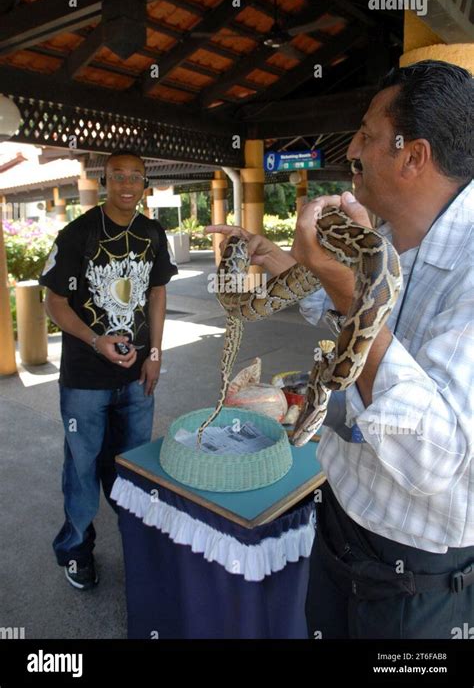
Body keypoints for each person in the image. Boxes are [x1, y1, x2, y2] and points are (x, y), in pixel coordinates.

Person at [206, 60, 474, 639]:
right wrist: (280, 259)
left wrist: (348, 288)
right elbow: (340, 300)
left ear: (413, 155)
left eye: (367, 135)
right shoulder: (383, 239)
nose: (351, 148)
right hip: (339, 524)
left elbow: (434, 458)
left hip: (415, 575)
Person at [40, 149, 178, 590]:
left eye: (135, 177)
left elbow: (156, 294)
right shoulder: (76, 234)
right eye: (118, 176)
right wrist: (95, 340)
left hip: (136, 376)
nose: (126, 185)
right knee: (81, 467)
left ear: (144, 184)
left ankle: (138, 542)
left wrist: (154, 354)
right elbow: (53, 302)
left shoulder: (152, 232)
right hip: (85, 379)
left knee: (135, 464)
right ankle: (76, 548)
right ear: (105, 180)